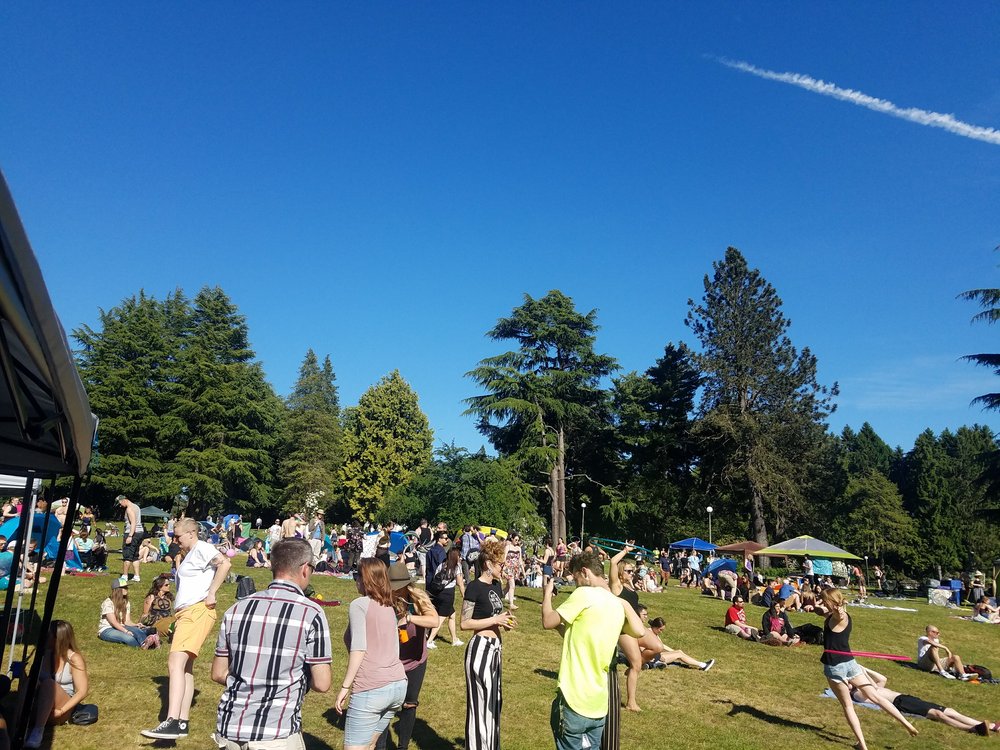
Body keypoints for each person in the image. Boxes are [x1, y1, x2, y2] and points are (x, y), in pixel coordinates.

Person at [212, 538, 332, 749]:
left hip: (231, 726)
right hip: (277, 730)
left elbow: (218, 673)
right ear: (305, 569)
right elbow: (322, 683)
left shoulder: (237, 609)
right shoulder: (311, 613)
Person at [541, 551, 646, 750]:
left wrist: (546, 595)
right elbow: (639, 630)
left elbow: (548, 620)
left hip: (574, 699)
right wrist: (622, 602)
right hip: (598, 704)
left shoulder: (583, 594)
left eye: (576, 577)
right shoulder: (616, 604)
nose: (576, 583)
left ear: (585, 572)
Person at [141, 517, 232, 740]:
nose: (175, 540)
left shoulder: (202, 547)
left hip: (197, 611)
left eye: (178, 536)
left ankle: (171, 720)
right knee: (185, 667)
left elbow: (225, 563)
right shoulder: (190, 553)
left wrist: (212, 593)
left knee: (175, 662)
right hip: (186, 614)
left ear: (191, 533)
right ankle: (181, 722)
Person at [820, 587, 918, 750]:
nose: (823, 603)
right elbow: (827, 613)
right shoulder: (841, 616)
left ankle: (862, 745)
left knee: (848, 706)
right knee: (876, 697)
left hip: (834, 666)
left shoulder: (839, 616)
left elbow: (838, 614)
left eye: (825, 600)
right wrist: (821, 607)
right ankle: (907, 724)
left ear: (833, 602)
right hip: (850, 662)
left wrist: (838, 608)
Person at [336, 558, 408, 750]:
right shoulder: (390, 605)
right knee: (371, 745)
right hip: (397, 685)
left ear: (365, 579)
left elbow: (358, 648)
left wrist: (345, 687)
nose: (355, 581)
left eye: (356, 576)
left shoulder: (359, 605)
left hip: (371, 689)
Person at [375, 562, 439, 750]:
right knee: (386, 705)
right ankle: (381, 746)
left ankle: (403, 746)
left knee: (409, 704)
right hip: (391, 660)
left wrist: (409, 618)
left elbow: (434, 620)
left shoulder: (416, 599)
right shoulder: (384, 599)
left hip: (416, 661)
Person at [461, 538, 516, 750]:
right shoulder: (474, 587)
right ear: (488, 565)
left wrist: (504, 620)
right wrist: (495, 620)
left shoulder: (496, 586)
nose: (504, 568)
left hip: (495, 650)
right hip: (480, 649)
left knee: (494, 704)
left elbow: (494, 614)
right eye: (501, 564)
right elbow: (465, 623)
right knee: (479, 706)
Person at [850, 666, 995, 736]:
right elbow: (872, 691)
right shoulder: (857, 694)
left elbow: (882, 679)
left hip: (906, 698)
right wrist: (860, 675)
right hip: (900, 704)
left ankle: (992, 726)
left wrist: (862, 668)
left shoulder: (867, 686)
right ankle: (973, 729)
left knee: (951, 711)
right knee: (938, 714)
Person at [24, 620, 89, 748]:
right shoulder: (43, 655)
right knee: (28, 683)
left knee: (49, 684)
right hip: (41, 700)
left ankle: (38, 731)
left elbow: (82, 691)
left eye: (48, 635)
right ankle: (18, 724)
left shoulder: (74, 658)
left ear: (57, 639)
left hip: (61, 705)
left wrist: (62, 710)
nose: (44, 638)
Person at [609, 544, 644, 712]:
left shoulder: (630, 586)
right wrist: (625, 551)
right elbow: (612, 562)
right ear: (621, 573)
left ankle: (631, 670)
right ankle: (631, 702)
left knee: (657, 646)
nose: (632, 573)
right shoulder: (617, 586)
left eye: (633, 571)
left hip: (634, 627)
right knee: (637, 663)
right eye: (629, 571)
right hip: (624, 629)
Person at [638, 612, 714, 671]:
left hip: (656, 656)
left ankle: (701, 664)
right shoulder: (648, 633)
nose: (661, 632)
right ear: (655, 627)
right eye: (660, 630)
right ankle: (703, 665)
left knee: (679, 652)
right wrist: (656, 657)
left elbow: (662, 646)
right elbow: (641, 648)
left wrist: (673, 651)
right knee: (679, 654)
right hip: (653, 658)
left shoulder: (653, 633)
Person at [426, 545, 465, 648]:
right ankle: (429, 641)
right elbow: (460, 584)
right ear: (456, 557)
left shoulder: (441, 565)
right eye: (459, 556)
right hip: (448, 595)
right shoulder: (457, 567)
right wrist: (465, 597)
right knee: (440, 619)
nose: (460, 558)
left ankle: (454, 639)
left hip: (439, 593)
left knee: (452, 615)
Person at [99, 578, 155, 648]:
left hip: (121, 626)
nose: (127, 589)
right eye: (124, 587)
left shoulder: (126, 602)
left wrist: (135, 625)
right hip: (107, 629)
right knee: (129, 638)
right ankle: (144, 645)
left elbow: (127, 621)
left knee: (138, 631)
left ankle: (148, 643)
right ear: (118, 590)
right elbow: (113, 622)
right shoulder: (108, 603)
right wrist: (126, 631)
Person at [118, 494, 144, 582]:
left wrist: (130, 536)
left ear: (124, 500)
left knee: (127, 555)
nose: (120, 505)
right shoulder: (136, 506)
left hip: (132, 533)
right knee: (135, 555)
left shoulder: (129, 509)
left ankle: (124, 576)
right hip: (140, 532)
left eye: (120, 503)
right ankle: (137, 576)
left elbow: (133, 523)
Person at [502, 534, 524, 610]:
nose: (517, 542)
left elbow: (520, 560)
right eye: (516, 540)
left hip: (516, 569)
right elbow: (504, 558)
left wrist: (523, 571)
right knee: (512, 586)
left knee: (508, 587)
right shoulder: (508, 547)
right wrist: (505, 565)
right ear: (512, 539)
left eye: (518, 540)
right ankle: (511, 604)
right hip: (509, 569)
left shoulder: (519, 548)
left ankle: (499, 596)